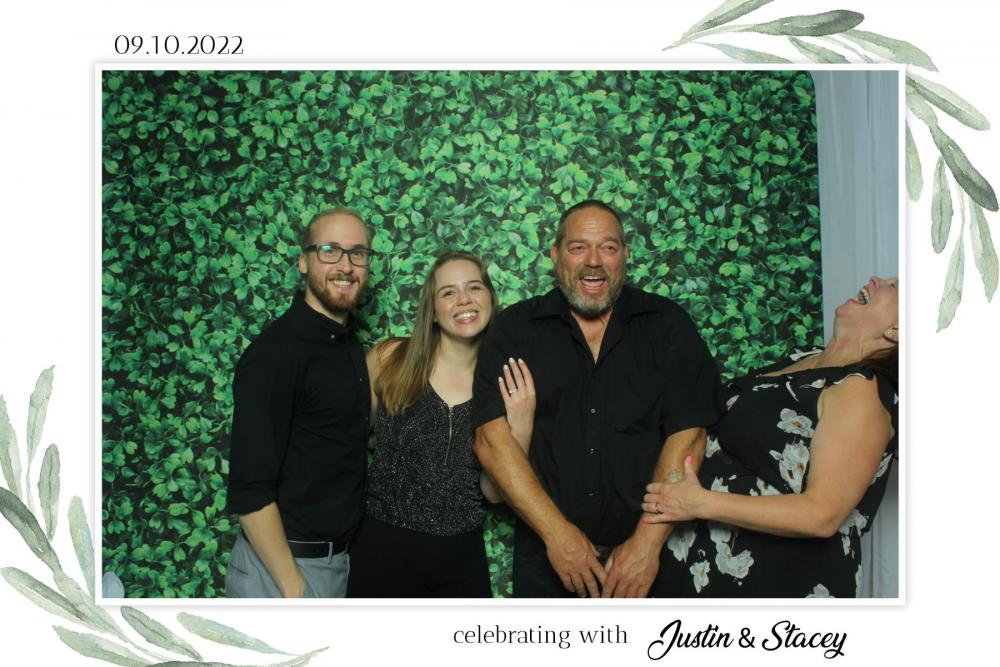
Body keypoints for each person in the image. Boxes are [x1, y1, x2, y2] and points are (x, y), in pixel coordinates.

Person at [472, 200, 725, 598]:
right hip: (546, 558)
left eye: (608, 247)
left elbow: (689, 434)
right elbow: (491, 441)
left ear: (625, 254)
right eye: (578, 248)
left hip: (648, 558)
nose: (593, 261)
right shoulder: (515, 329)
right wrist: (558, 536)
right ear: (556, 254)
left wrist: (646, 544)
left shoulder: (667, 325)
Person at [643, 276, 899, 598]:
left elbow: (822, 514)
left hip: (773, 581)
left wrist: (700, 502)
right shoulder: (804, 358)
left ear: (897, 330)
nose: (877, 280)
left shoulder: (861, 391)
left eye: (894, 287)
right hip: (699, 567)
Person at [347, 251, 534, 597]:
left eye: (474, 287)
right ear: (432, 310)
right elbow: (347, 440)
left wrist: (521, 425)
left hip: (460, 559)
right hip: (382, 551)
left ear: (490, 299)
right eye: (448, 292)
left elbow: (493, 493)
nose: (464, 299)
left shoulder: (502, 384)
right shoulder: (389, 359)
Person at [225, 208, 376, 598]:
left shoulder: (346, 346)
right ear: (303, 262)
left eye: (358, 253)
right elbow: (250, 491)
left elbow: (332, 439)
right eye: (330, 250)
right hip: (281, 571)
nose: (346, 265)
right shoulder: (276, 352)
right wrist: (295, 591)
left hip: (335, 563)